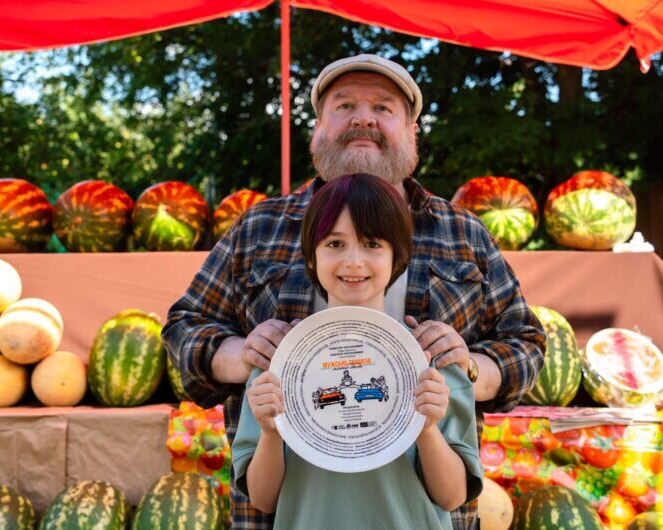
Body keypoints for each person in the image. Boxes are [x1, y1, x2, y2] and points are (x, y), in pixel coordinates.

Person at [162, 53, 546, 530]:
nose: (363, 118)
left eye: (383, 107)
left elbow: (526, 344)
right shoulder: (261, 226)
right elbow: (183, 328)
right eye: (344, 105)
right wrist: (241, 354)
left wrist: (468, 369)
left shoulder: (462, 231)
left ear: (412, 133)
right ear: (318, 129)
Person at [232, 173, 483, 529]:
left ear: (398, 257)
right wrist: (271, 432)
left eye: (372, 244)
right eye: (334, 244)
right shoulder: (279, 361)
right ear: (311, 258)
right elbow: (262, 498)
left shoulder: (433, 358)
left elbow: (453, 496)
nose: (353, 261)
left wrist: (426, 428)